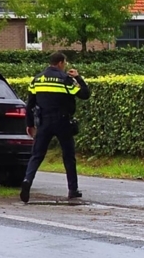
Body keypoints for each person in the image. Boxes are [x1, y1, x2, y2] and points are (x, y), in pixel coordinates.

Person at [20, 52, 91, 204]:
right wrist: (78, 77)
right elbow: (85, 94)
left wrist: (29, 124)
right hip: (62, 121)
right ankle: (73, 190)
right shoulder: (65, 79)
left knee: (37, 155)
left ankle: (27, 180)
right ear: (60, 63)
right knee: (68, 155)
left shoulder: (37, 79)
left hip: (43, 122)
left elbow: (30, 104)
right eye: (64, 63)